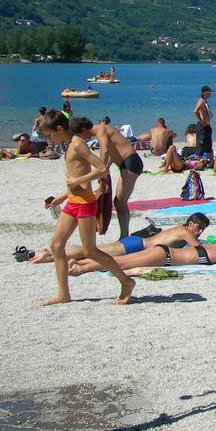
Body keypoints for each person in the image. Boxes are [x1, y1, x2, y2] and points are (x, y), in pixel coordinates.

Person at [38, 109, 134, 306]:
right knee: (57, 245)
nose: (48, 139)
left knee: (90, 251)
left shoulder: (77, 145)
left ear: (58, 129)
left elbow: (101, 168)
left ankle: (126, 281)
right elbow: (75, 181)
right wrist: (60, 198)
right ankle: (63, 293)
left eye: (49, 135)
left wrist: (77, 181)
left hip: (84, 204)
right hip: (73, 202)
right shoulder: (68, 146)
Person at [30, 213, 210, 264]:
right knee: (91, 251)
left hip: (135, 243)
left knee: (92, 251)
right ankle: (51, 255)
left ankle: (52, 255)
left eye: (202, 229)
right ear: (190, 223)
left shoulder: (180, 230)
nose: (200, 232)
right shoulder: (185, 232)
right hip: (137, 246)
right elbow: (199, 249)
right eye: (199, 227)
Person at [73, 117, 144, 240]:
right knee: (120, 202)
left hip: (130, 163)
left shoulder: (100, 130)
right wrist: (106, 168)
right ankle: (124, 235)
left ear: (84, 129)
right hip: (128, 164)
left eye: (80, 135)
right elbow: (112, 151)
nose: (82, 139)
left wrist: (101, 171)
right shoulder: (104, 130)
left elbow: (105, 151)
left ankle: (124, 236)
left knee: (119, 202)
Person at [69, 232, 216, 276]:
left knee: (120, 260)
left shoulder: (209, 244)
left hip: (162, 249)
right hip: (166, 257)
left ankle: (82, 263)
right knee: (122, 264)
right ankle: (81, 269)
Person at [193, 85, 214, 159]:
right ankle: (200, 163)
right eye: (208, 93)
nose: (209, 94)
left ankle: (211, 161)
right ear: (204, 93)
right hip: (202, 126)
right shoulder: (201, 101)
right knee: (201, 146)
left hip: (207, 126)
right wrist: (201, 121)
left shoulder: (205, 102)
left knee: (208, 145)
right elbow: (195, 111)